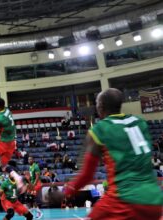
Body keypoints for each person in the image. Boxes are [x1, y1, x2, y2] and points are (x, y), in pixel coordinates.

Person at [56, 88, 163, 219]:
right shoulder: (140, 123)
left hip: (124, 199)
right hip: (154, 200)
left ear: (100, 107)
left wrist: (66, 191)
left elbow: (87, 175)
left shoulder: (99, 130)